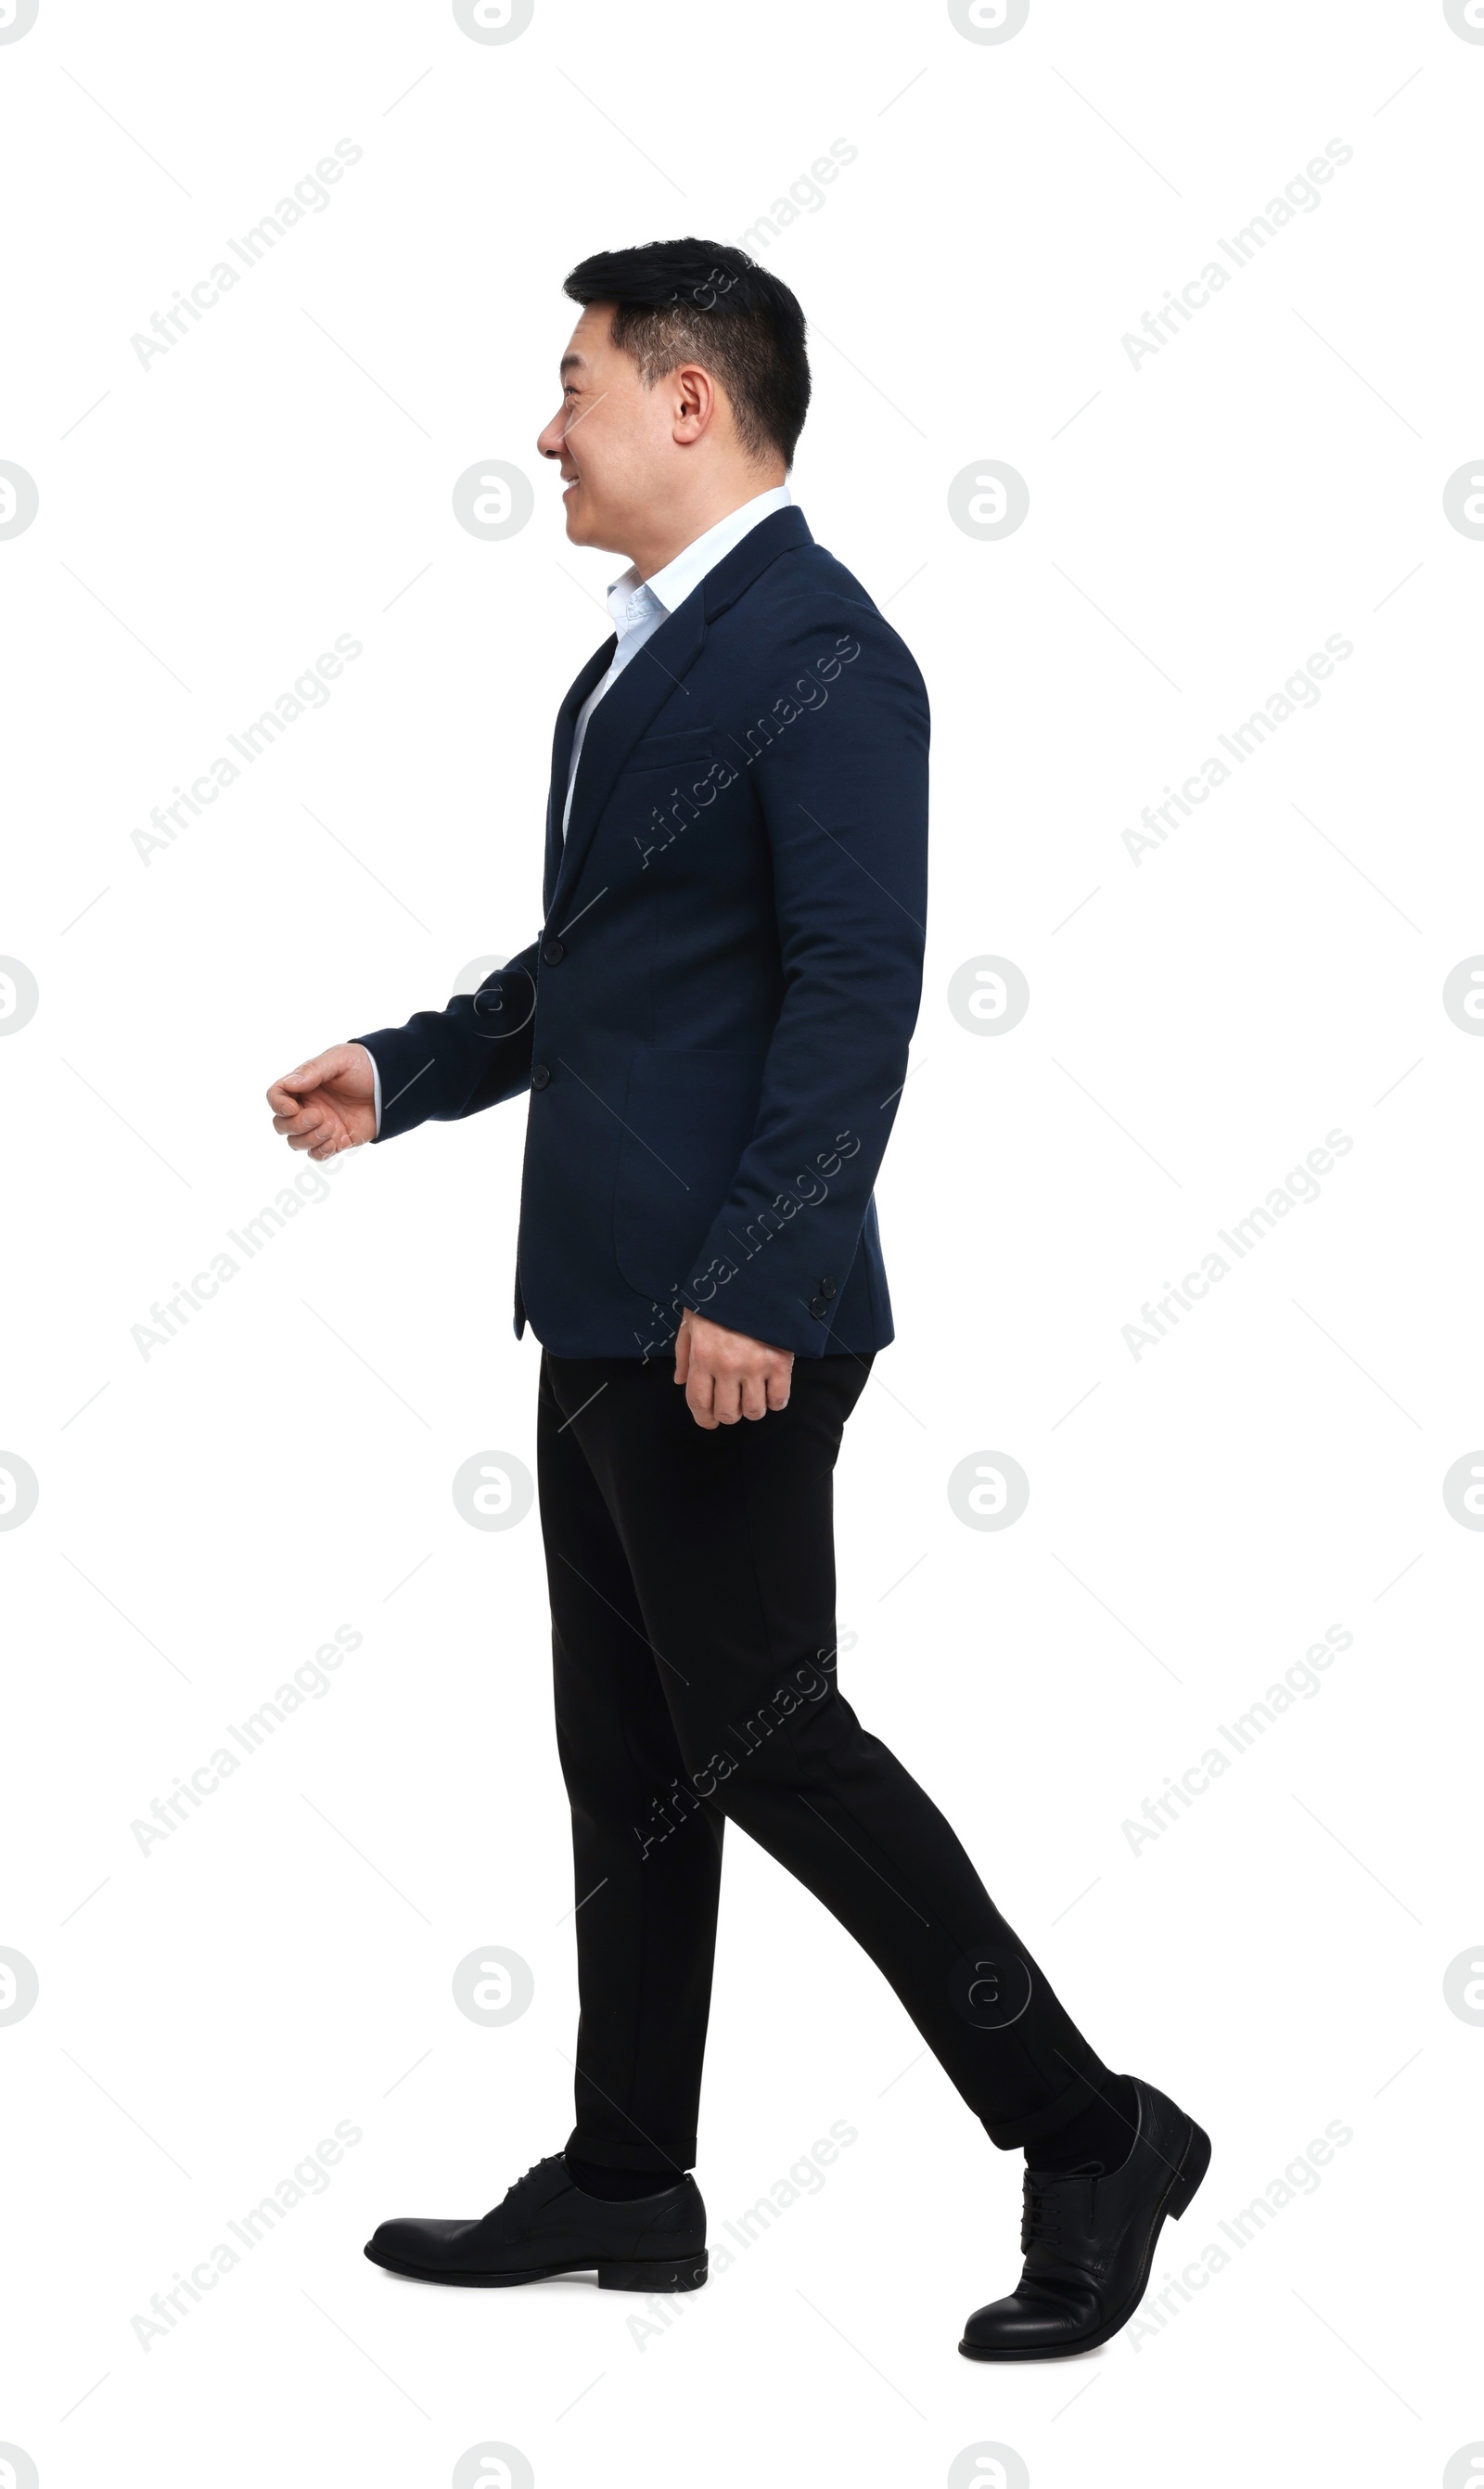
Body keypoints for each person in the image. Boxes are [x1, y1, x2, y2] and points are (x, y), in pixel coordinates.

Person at [265, 237, 1209, 2360]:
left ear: (690, 402)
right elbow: (597, 969)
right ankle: (629, 2172)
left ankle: (1086, 2126)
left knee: (773, 1747)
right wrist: (406, 1070)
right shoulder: (621, 662)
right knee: (627, 1763)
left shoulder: (824, 650)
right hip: (593, 1306)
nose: (545, 429)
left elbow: (858, 984)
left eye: (576, 384)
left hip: (730, 1324)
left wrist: (761, 1270)